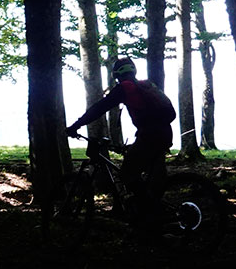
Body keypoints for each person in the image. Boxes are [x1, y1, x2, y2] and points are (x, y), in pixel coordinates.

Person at [66, 57, 176, 200]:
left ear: (116, 75)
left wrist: (76, 125)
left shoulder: (124, 88)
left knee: (126, 174)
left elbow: (99, 108)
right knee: (152, 175)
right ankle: (150, 207)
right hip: (164, 133)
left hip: (149, 136)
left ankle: (148, 210)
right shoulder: (146, 85)